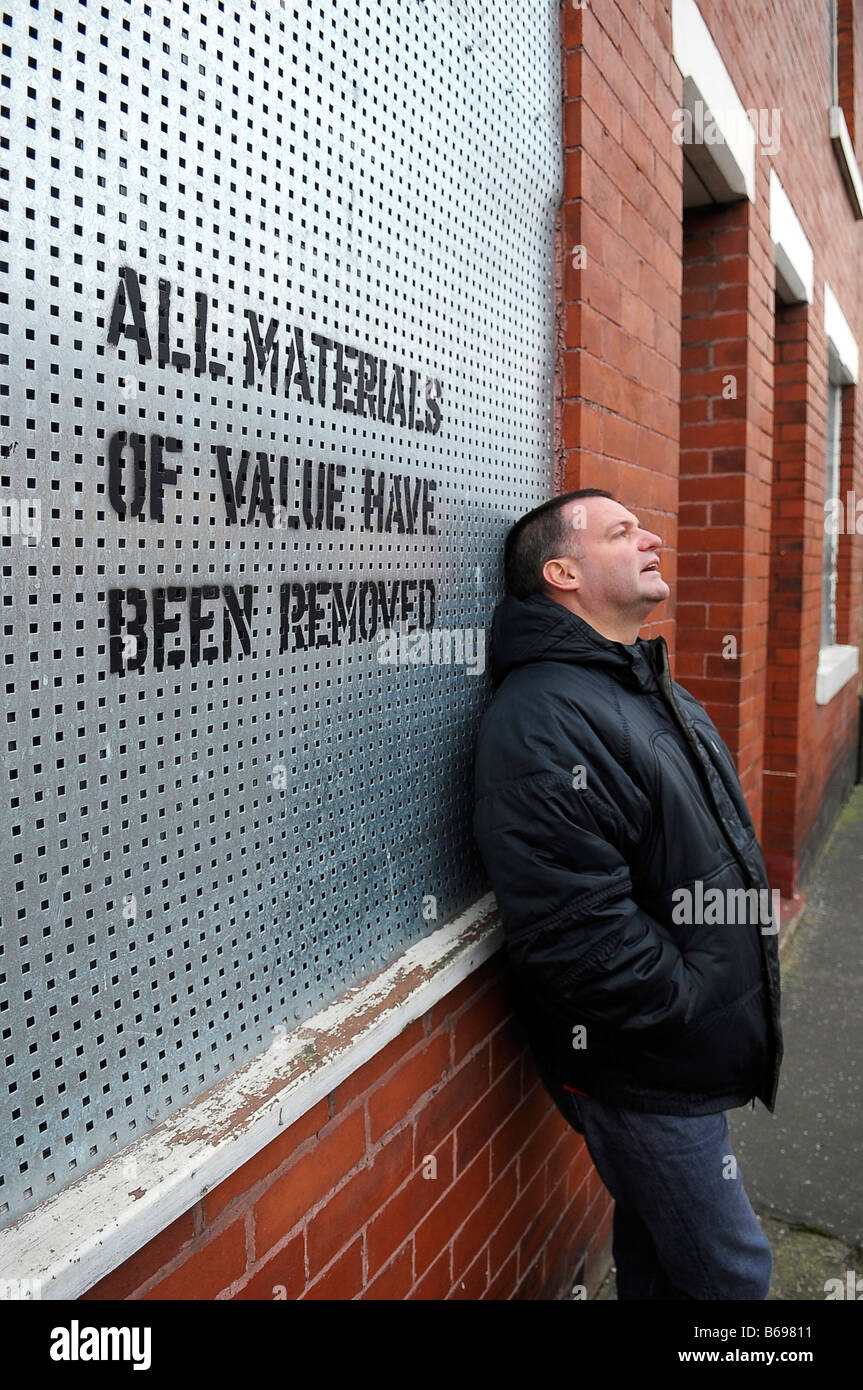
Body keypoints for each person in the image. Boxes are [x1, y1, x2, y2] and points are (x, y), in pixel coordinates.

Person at [471, 488, 783, 1300]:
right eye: (621, 531)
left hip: (677, 1051)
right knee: (732, 1275)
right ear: (562, 571)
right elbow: (575, 934)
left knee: (655, 1255)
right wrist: (687, 1008)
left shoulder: (639, 683)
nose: (650, 538)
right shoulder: (543, 719)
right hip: (645, 1063)